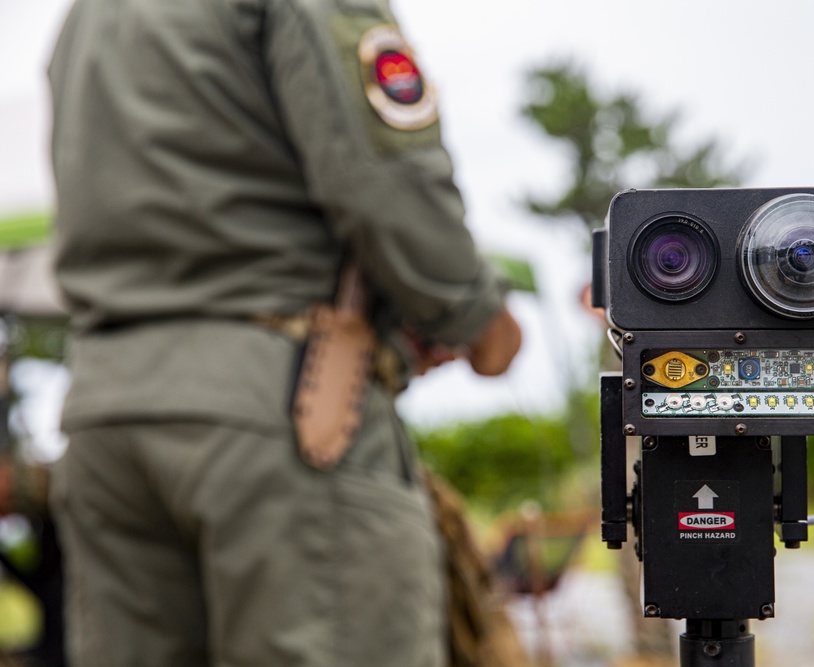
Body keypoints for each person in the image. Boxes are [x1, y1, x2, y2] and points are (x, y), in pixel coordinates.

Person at [47, 1, 521, 666]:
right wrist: (478, 317)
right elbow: (386, 181)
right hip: (285, 413)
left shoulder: (90, 14)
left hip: (107, 408)